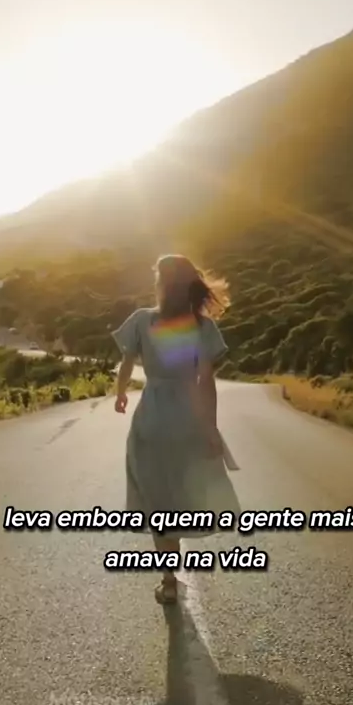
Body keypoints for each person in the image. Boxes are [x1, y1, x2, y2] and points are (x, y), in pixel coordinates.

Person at [112, 253, 241, 605]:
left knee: (157, 500)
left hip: (151, 419)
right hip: (187, 419)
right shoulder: (202, 327)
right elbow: (205, 382)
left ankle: (168, 580)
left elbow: (126, 362)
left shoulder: (141, 320)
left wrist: (121, 393)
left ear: (161, 285)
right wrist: (210, 429)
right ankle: (176, 560)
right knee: (184, 493)